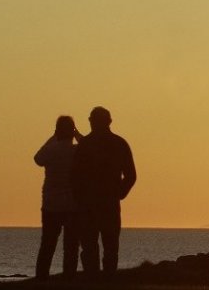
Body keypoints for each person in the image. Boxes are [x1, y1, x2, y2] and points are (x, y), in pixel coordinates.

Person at [72, 106, 136, 275]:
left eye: (92, 120)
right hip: (104, 203)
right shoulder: (119, 143)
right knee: (108, 247)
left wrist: (79, 197)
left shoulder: (86, 145)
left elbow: (74, 176)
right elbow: (131, 176)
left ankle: (96, 280)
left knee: (96, 247)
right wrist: (119, 193)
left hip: (93, 204)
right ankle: (107, 280)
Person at [33, 116, 82, 280]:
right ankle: (69, 279)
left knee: (47, 245)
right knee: (71, 247)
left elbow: (37, 158)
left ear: (57, 131)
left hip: (51, 205)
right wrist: (77, 135)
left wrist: (53, 137)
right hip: (72, 205)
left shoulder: (50, 150)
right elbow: (89, 148)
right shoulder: (76, 151)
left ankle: (41, 279)